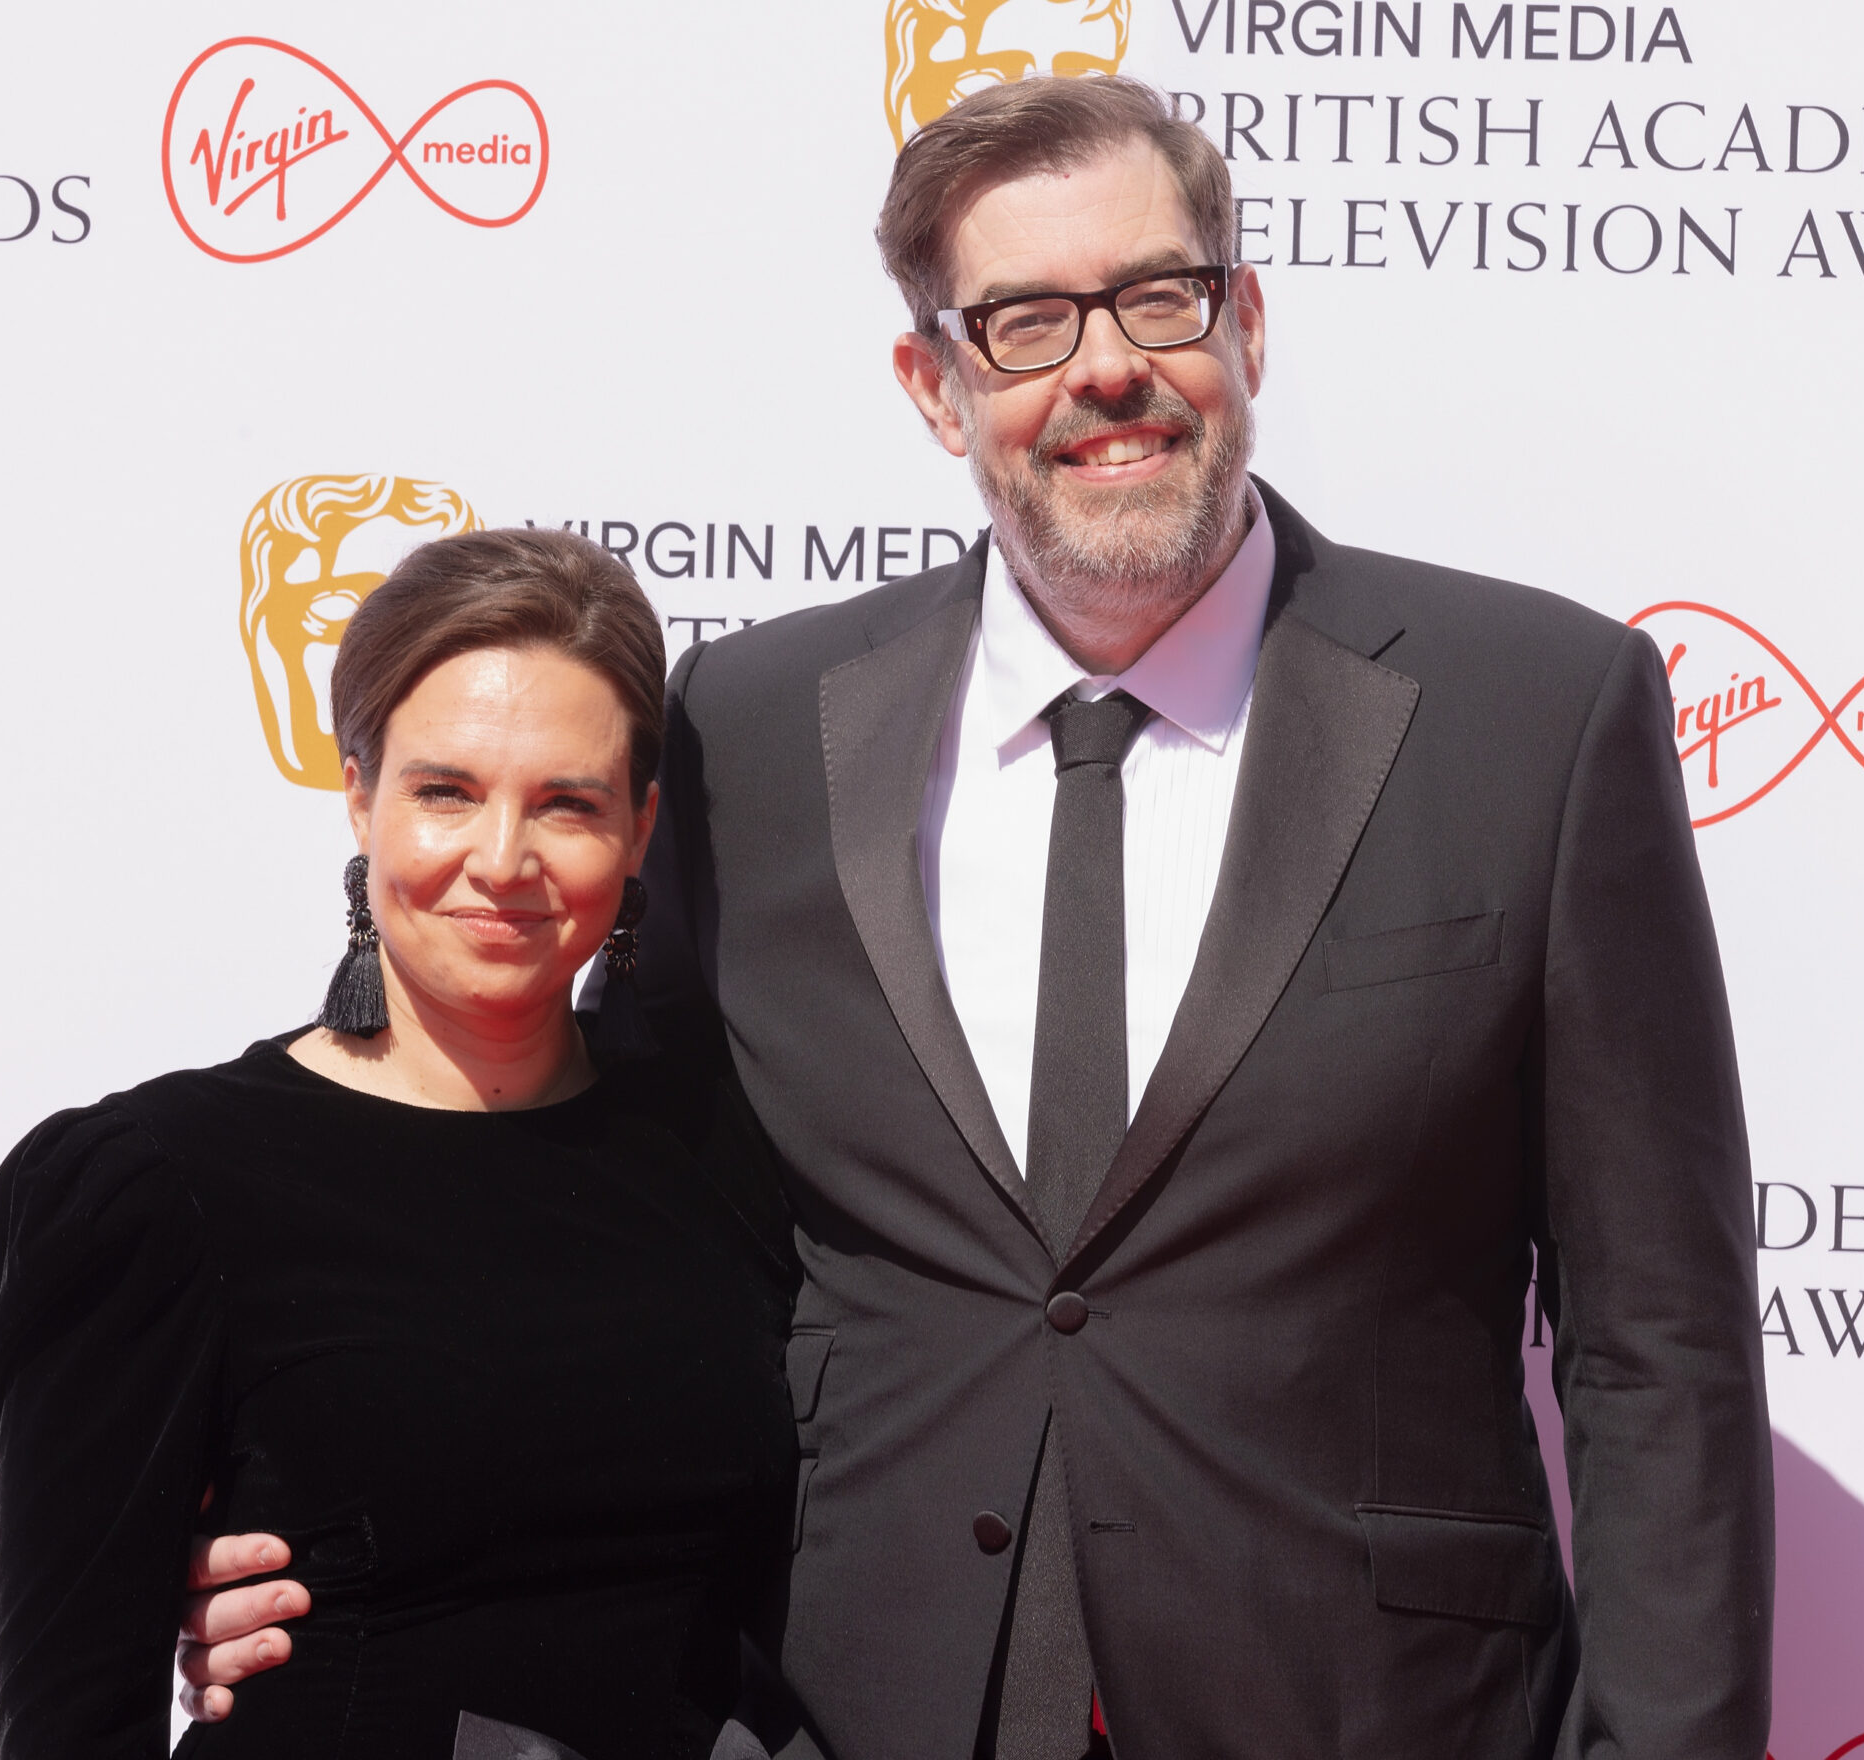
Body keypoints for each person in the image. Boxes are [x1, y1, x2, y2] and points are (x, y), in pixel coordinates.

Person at [184, 75, 1773, 1759]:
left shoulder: (1535, 711)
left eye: (1157, 295)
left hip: (1367, 1710)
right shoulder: (758, 726)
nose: (1106, 368)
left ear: (1245, 321)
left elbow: (1657, 1337)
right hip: (838, 1707)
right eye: (1021, 321)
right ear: (936, 389)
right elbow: (582, 1222)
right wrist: (321, 1526)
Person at [0, 530, 796, 1760]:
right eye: (445, 790)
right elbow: (72, 1717)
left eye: (567, 801)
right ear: (359, 793)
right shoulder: (165, 1184)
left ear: (640, 828)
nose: (502, 859)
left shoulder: (721, 1151)